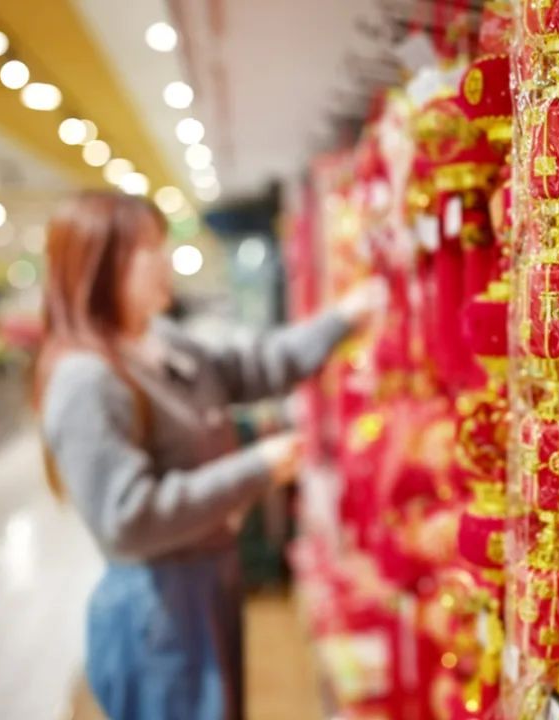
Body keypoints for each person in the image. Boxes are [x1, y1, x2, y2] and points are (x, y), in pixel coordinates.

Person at [35, 190, 384, 720]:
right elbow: (127, 519)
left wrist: (343, 318)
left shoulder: (159, 341)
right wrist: (255, 468)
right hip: (158, 607)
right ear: (97, 267)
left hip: (205, 579)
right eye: (145, 249)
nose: (164, 261)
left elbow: (258, 366)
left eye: (161, 245)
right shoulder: (86, 378)